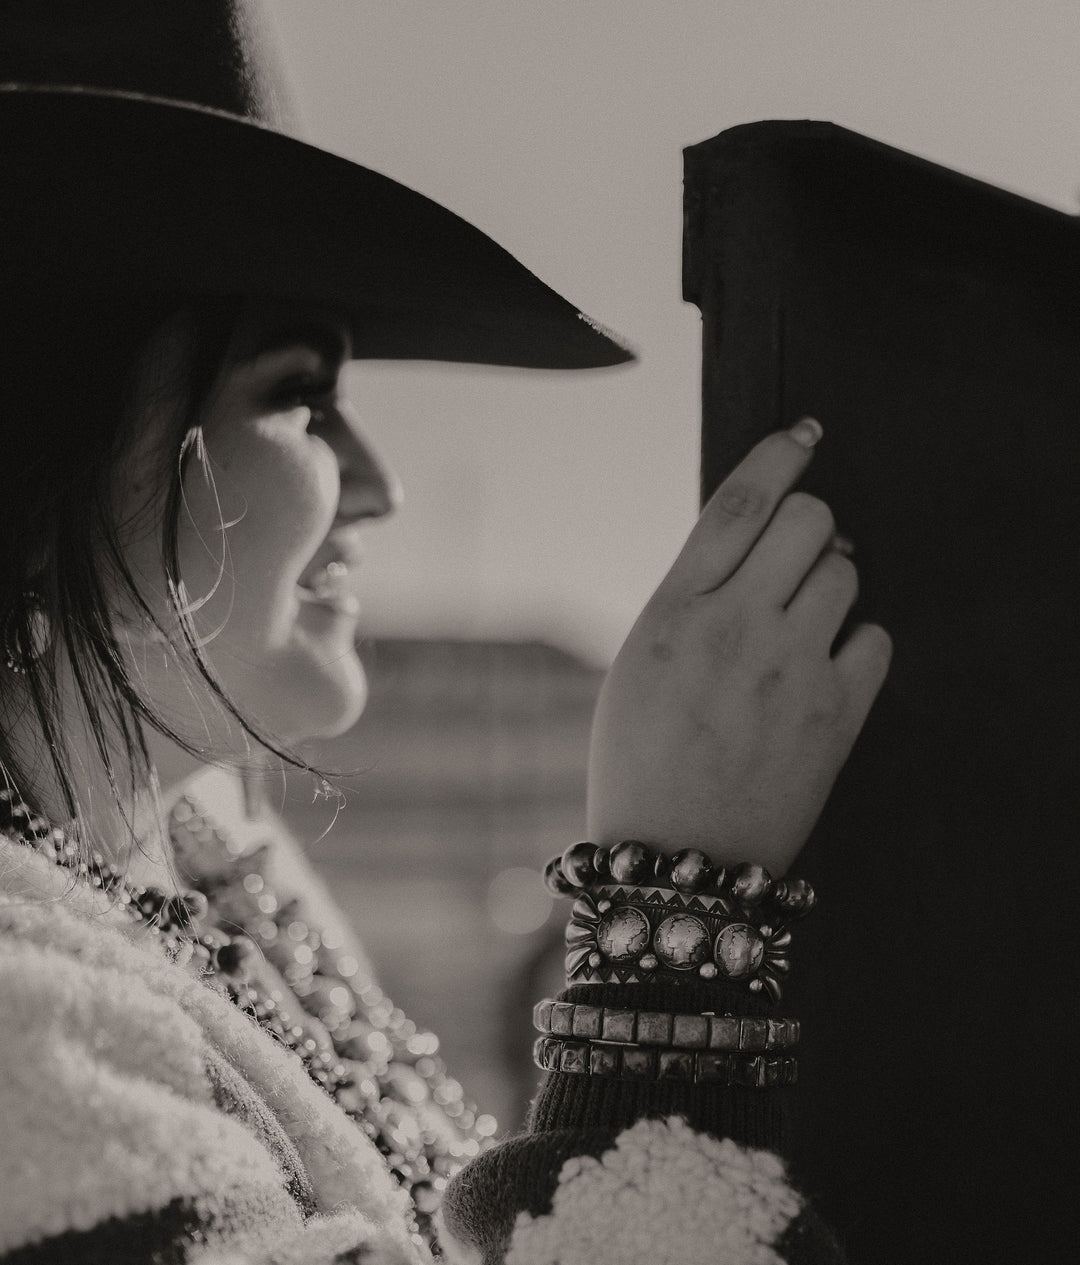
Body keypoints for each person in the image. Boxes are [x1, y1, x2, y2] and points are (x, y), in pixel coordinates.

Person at [0, 4, 891, 1263]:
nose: (379, 485)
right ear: (42, 468)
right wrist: (665, 930)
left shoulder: (204, 881)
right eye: (301, 394)